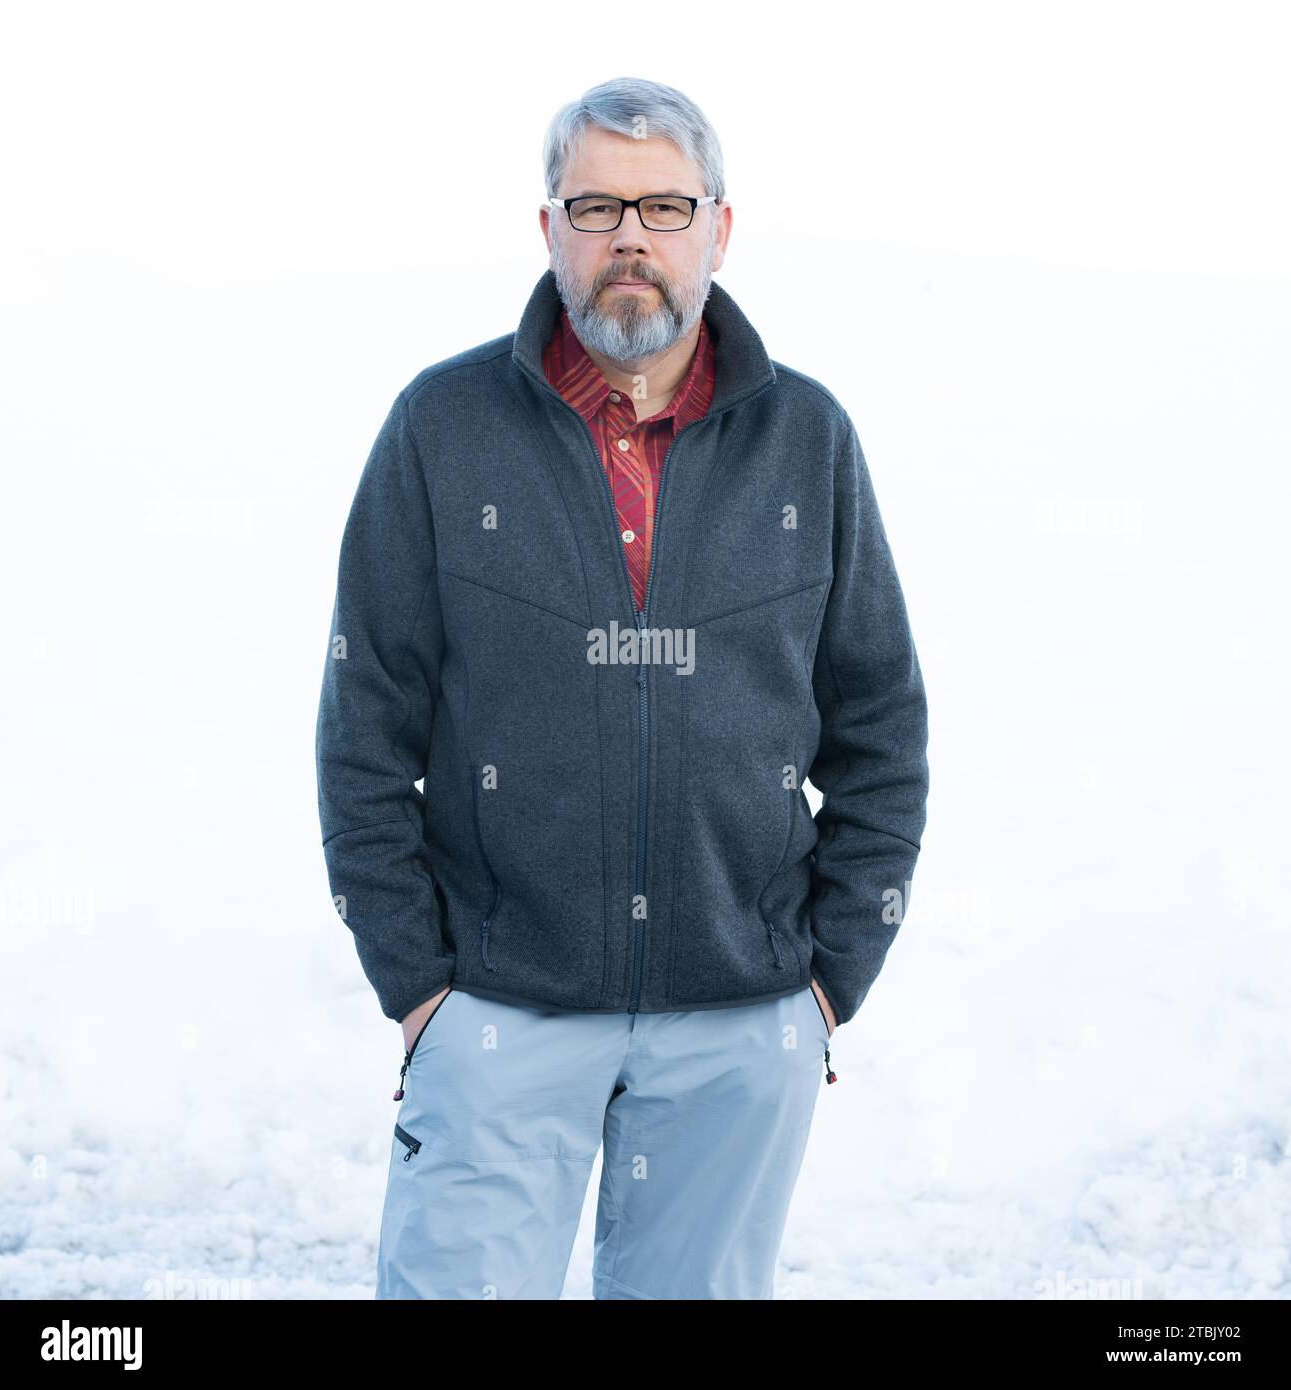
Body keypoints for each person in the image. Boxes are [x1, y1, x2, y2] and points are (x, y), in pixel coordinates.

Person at [315, 75, 930, 1300]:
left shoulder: (806, 440)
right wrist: (418, 987)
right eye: (596, 206)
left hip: (739, 1021)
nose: (631, 239)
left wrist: (822, 984)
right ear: (548, 229)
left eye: (663, 205)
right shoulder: (441, 430)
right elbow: (364, 731)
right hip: (496, 1010)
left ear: (719, 227)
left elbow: (881, 726)